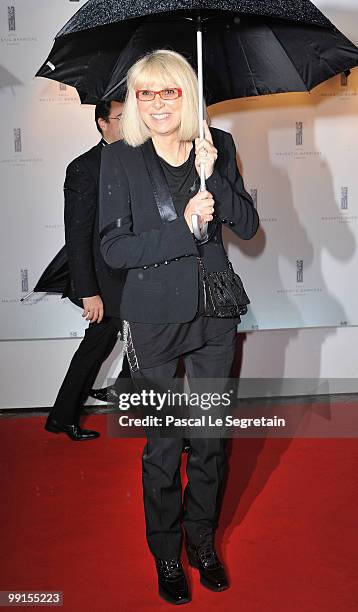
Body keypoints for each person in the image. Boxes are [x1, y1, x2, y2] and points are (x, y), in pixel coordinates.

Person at [99, 50, 259, 604]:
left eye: (169, 91)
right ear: (136, 102)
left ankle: (202, 539)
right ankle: (166, 553)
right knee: (164, 443)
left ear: (187, 95)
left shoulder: (219, 145)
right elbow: (114, 248)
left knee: (212, 439)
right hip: (155, 317)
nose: (158, 103)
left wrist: (217, 176)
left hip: (216, 311)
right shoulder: (120, 159)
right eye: (146, 93)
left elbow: (248, 224)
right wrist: (185, 228)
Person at [45, 98, 131, 442]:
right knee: (98, 346)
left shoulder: (142, 159)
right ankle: (65, 414)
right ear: (102, 123)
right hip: (105, 282)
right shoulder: (84, 167)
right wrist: (87, 292)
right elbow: (77, 235)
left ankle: (67, 413)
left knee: (148, 343)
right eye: (120, 118)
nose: (128, 124)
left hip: (136, 275)